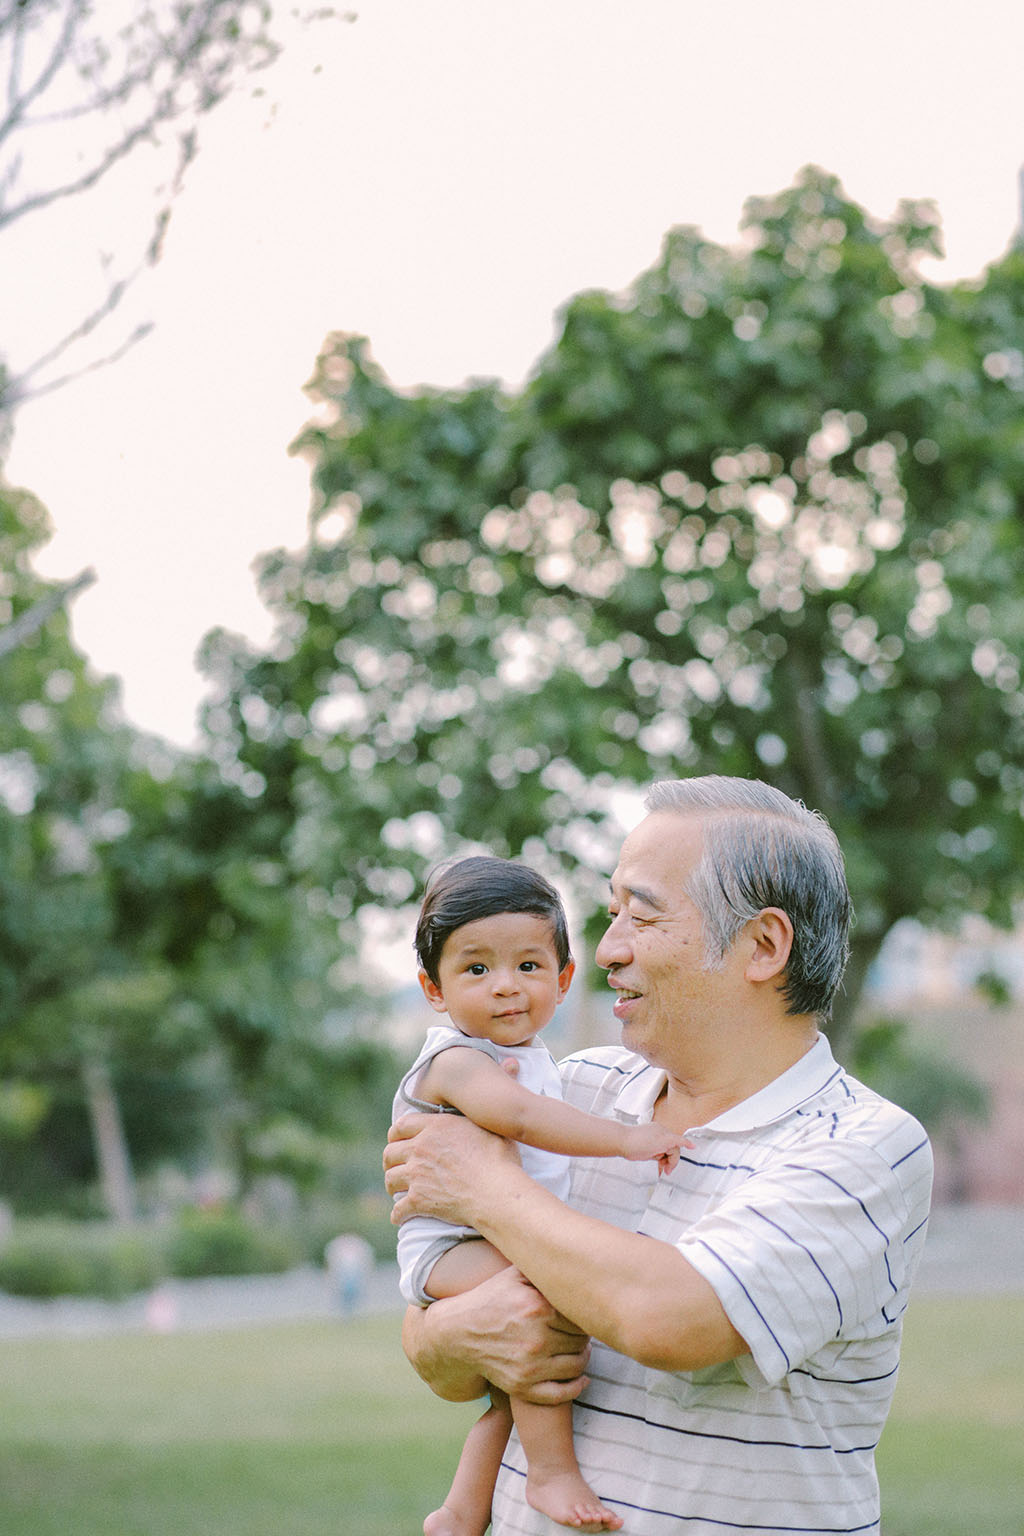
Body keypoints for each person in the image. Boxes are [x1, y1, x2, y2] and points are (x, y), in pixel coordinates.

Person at [385, 777, 934, 1536]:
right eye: (612, 915)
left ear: (763, 946)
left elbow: (670, 1318)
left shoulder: (865, 1146)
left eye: (639, 915)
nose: (607, 949)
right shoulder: (567, 1094)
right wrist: (449, 1334)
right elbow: (434, 1341)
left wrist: (483, 1187)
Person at [393, 855, 688, 1536]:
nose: (505, 987)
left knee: (506, 1394)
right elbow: (519, 1119)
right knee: (544, 1302)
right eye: (475, 969)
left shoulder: (540, 1061)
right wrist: (625, 1139)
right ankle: (553, 1474)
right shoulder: (458, 1061)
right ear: (432, 989)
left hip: (481, 1237)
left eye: (527, 967)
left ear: (562, 979)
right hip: (451, 1247)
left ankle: (460, 1514)